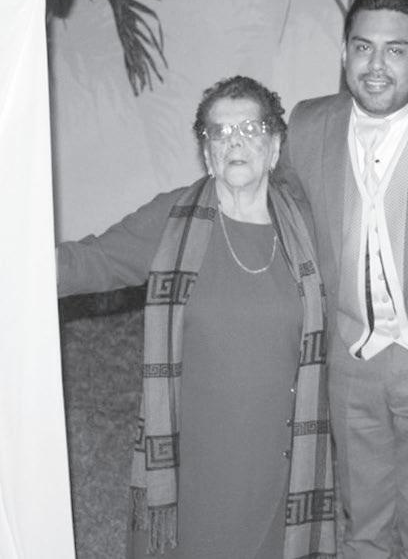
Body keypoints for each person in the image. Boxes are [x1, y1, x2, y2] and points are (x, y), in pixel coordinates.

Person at [56, 76, 334, 558]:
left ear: (274, 146)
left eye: (250, 129)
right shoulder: (174, 219)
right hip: (198, 451)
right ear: (207, 153)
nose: (235, 142)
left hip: (281, 448)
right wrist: (18, 260)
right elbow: (92, 261)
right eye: (220, 132)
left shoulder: (304, 225)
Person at [273, 0, 408, 558]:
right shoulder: (307, 124)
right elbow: (280, 217)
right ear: (344, 53)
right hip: (350, 357)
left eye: (396, 50)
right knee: (362, 523)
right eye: (363, 47)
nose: (376, 65)